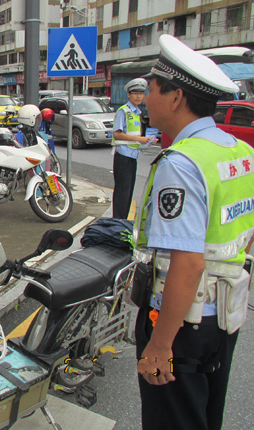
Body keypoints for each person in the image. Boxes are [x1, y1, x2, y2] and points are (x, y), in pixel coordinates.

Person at [133, 34, 254, 430]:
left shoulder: (182, 163)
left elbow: (187, 263)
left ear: (175, 97)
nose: (144, 99)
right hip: (224, 316)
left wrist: (160, 344)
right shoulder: (238, 151)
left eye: (150, 90)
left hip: (182, 324)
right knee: (204, 417)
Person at [111, 78, 156, 219]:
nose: (138, 96)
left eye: (141, 93)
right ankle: (118, 222)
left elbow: (135, 135)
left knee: (129, 192)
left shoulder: (137, 112)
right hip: (123, 155)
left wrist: (147, 141)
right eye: (135, 93)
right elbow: (117, 134)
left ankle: (123, 222)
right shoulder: (123, 111)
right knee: (122, 192)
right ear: (128, 95)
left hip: (133, 155)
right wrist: (138, 139)